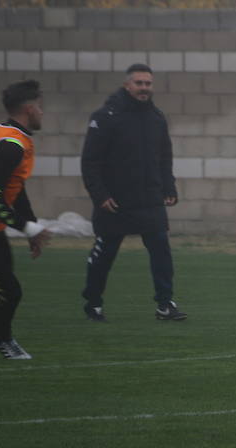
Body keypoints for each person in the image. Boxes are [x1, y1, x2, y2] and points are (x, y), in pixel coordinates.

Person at [80, 63, 186, 322]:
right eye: (139, 83)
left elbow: (164, 157)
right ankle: (93, 303)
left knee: (161, 252)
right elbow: (90, 162)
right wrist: (100, 196)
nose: (144, 88)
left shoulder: (156, 117)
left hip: (150, 200)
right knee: (104, 255)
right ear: (127, 85)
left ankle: (165, 304)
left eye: (148, 83)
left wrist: (169, 186)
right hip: (115, 202)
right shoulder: (105, 116)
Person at [0, 80, 51, 359]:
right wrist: (27, 226)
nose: (43, 114)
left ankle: (3, 340)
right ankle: (3, 342)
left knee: (4, 289)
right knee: (9, 290)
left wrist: (31, 226)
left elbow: (16, 189)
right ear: (30, 109)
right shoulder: (10, 144)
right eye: (41, 108)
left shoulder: (14, 137)